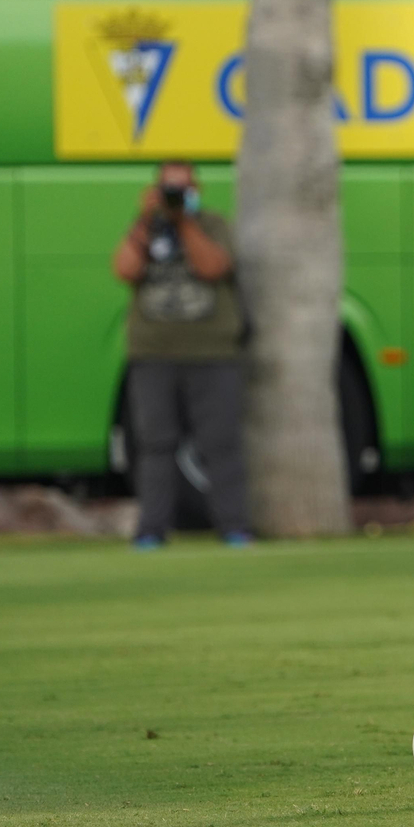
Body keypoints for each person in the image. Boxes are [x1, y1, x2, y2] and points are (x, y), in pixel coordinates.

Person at [112, 160, 252, 548]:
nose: (176, 196)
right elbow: (124, 269)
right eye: (169, 189)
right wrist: (144, 222)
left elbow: (213, 267)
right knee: (155, 444)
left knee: (221, 444)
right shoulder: (145, 228)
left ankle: (234, 528)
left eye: (183, 188)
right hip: (153, 355)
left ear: (197, 190)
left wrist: (183, 223)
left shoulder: (212, 225)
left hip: (212, 353)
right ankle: (152, 530)